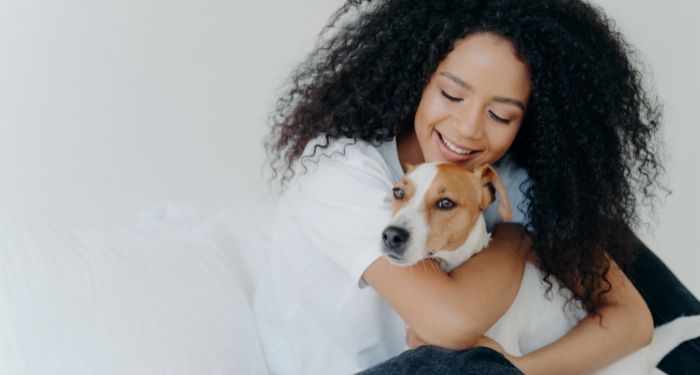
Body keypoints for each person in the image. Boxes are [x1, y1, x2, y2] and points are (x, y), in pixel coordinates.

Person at [253, 0, 700, 374]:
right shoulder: (339, 166)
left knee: (582, 222)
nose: (467, 130)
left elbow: (632, 319)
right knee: (458, 361)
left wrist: (518, 369)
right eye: (451, 95)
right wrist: (517, 237)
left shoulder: (506, 179)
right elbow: (454, 326)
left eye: (501, 115)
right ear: (417, 78)